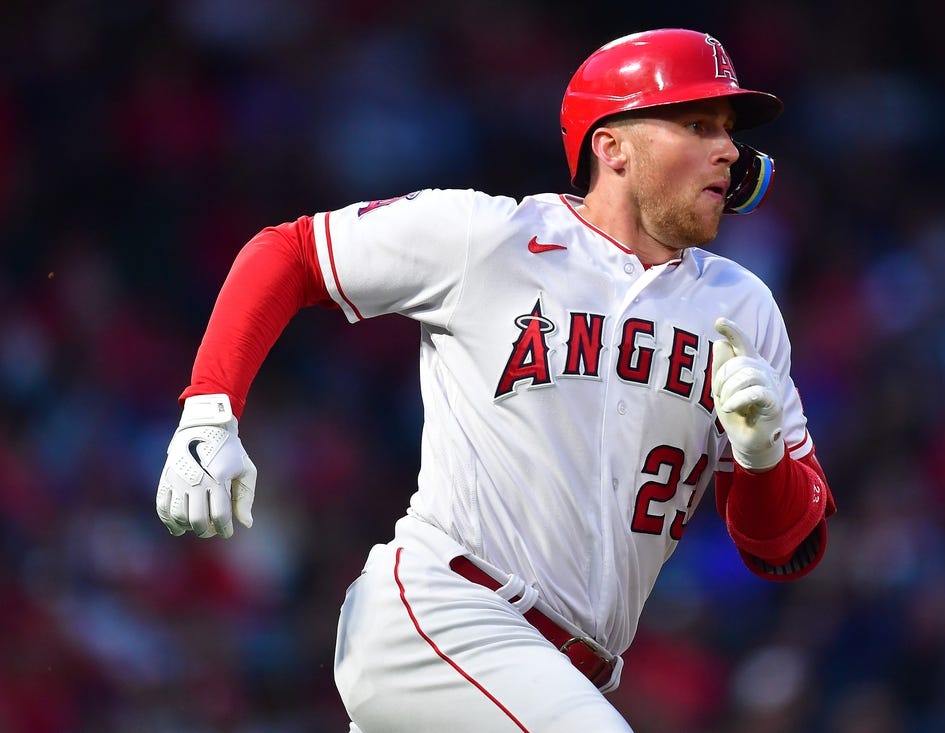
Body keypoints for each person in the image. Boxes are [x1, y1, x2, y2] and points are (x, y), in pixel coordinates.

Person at [155, 28, 837, 732]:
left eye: (729, 130)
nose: (728, 148)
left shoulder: (743, 307)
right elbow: (289, 253)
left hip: (555, 674)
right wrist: (210, 408)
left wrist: (761, 457)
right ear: (613, 147)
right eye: (698, 124)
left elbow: (783, 547)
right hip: (445, 610)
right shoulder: (493, 238)